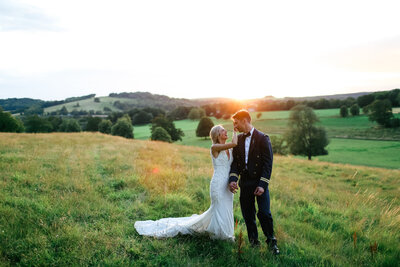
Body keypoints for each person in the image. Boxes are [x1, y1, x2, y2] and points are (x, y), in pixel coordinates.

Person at [134, 125, 237, 240]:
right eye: (223, 130)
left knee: (227, 207)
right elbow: (234, 143)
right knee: (218, 207)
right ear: (217, 134)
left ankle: (226, 233)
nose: (225, 132)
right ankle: (221, 235)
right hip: (218, 184)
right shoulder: (215, 147)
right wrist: (236, 131)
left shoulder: (230, 150)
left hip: (227, 184)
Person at [228, 109, 280, 254]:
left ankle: (272, 243)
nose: (235, 127)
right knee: (248, 215)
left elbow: (267, 164)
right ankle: (253, 243)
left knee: (264, 213)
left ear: (245, 120)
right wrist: (233, 179)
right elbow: (235, 164)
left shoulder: (263, 138)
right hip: (245, 183)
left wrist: (262, 185)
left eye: (236, 123)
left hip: (259, 183)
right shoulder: (238, 140)